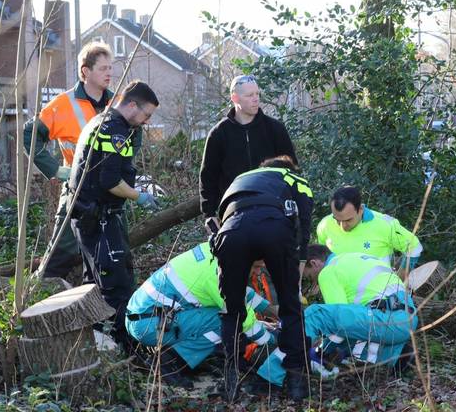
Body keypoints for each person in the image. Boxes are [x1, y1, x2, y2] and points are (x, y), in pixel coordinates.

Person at [212, 155, 313, 401]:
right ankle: (297, 381)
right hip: (274, 227)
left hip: (231, 231)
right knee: (290, 307)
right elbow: (304, 228)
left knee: (232, 310)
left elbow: (219, 219)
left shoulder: (241, 179)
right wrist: (294, 283)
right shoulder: (295, 179)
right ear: (289, 169)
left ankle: (231, 380)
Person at [69, 80, 159, 351]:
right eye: (146, 115)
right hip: (99, 218)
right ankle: (126, 345)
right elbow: (110, 180)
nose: (146, 121)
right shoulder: (114, 129)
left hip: (90, 216)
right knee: (116, 285)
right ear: (132, 105)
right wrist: (138, 196)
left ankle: (98, 344)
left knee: (93, 282)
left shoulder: (102, 121)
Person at [256, 245, 419, 387]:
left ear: (314, 263)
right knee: (346, 341)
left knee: (315, 314)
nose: (314, 282)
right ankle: (397, 356)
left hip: (384, 318)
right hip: (406, 320)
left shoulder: (328, 271)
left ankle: (268, 378)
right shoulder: (352, 258)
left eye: (310, 276)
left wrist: (317, 351)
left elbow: (338, 322)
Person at [125, 242, 275, 388]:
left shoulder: (219, 250)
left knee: (221, 314)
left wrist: (272, 310)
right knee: (225, 320)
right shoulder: (220, 273)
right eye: (256, 267)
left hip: (146, 317)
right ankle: (167, 363)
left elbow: (240, 292)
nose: (257, 272)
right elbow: (242, 319)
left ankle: (190, 357)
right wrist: (272, 341)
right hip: (149, 324)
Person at [24, 42, 115, 280]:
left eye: (111, 68)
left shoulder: (116, 103)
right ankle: (37, 297)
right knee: (60, 253)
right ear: (85, 71)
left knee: (110, 254)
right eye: (103, 68)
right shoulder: (63, 104)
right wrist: (56, 170)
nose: (109, 73)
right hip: (78, 189)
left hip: (111, 190)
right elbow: (29, 135)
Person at [199, 74, 297, 233]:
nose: (256, 99)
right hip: (234, 213)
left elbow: (292, 170)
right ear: (235, 97)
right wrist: (209, 214)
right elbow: (208, 176)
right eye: (249, 95)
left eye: (257, 94)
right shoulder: (218, 134)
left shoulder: (275, 129)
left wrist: (294, 206)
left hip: (274, 211)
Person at [316, 186, 423, 273]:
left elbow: (414, 247)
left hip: (376, 296)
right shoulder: (325, 225)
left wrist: (400, 278)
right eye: (337, 220)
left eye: (348, 220)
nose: (342, 226)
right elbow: (322, 256)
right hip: (338, 294)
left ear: (361, 209)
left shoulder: (385, 224)